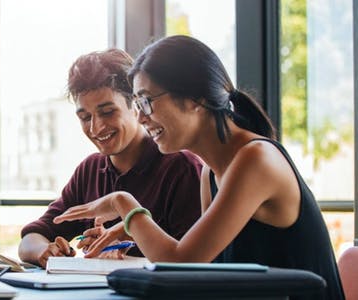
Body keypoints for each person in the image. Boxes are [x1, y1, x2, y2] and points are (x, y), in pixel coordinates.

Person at [54, 35, 344, 299]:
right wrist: (131, 232)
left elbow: (182, 262)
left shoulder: (255, 159)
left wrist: (123, 204)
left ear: (195, 99)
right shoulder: (211, 172)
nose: (141, 118)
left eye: (146, 102)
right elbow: (202, 272)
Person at [17, 49, 203, 268]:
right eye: (85, 117)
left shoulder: (181, 168)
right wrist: (45, 251)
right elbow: (31, 238)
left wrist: (129, 243)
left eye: (107, 112)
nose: (95, 128)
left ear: (136, 105)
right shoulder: (90, 170)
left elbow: (191, 262)